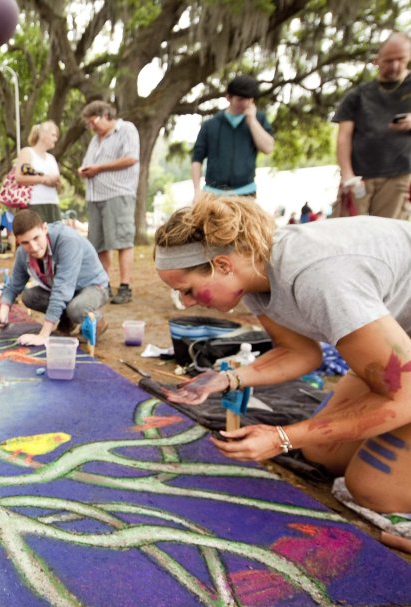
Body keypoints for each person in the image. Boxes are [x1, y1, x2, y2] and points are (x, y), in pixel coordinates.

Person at [154, 194, 411, 516]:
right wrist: (225, 379)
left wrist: (282, 438)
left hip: (404, 371)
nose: (187, 302)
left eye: (187, 290)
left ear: (222, 265)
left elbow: (403, 398)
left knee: (374, 490)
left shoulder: (319, 278)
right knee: (321, 451)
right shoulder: (257, 273)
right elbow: (299, 353)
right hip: (401, 348)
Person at [0, 208, 109, 346]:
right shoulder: (22, 253)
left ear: (44, 228)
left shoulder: (67, 241)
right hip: (67, 291)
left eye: (36, 238)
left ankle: (97, 320)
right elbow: (14, 284)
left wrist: (43, 336)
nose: (34, 247)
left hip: (93, 286)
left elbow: (61, 290)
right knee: (30, 296)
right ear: (17, 240)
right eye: (25, 243)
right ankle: (67, 321)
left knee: (76, 308)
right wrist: (4, 310)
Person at [332, 32, 411, 219]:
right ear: (377, 61)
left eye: (400, 59)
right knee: (346, 229)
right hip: (360, 177)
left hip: (399, 175)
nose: (395, 66)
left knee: (388, 234)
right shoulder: (358, 95)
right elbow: (344, 137)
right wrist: (347, 174)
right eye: (388, 61)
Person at [78, 100, 139, 305]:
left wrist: (99, 168)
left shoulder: (126, 130)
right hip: (95, 196)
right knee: (99, 244)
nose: (91, 127)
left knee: (122, 240)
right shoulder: (95, 140)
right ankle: (104, 284)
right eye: (88, 124)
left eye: (92, 121)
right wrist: (84, 170)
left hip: (117, 193)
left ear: (105, 115)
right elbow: (89, 163)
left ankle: (125, 286)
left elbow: (131, 158)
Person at [190, 75, 274, 200]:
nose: (245, 103)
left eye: (249, 99)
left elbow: (268, 148)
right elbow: (197, 159)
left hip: (246, 193)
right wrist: (197, 190)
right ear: (228, 98)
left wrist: (252, 121)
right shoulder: (210, 125)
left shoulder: (259, 119)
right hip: (213, 194)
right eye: (240, 99)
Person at [15, 120, 62, 223]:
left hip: (52, 203)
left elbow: (59, 187)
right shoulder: (27, 152)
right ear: (43, 134)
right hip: (34, 204)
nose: (56, 139)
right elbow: (19, 178)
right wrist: (44, 180)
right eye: (53, 135)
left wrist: (56, 183)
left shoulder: (51, 158)